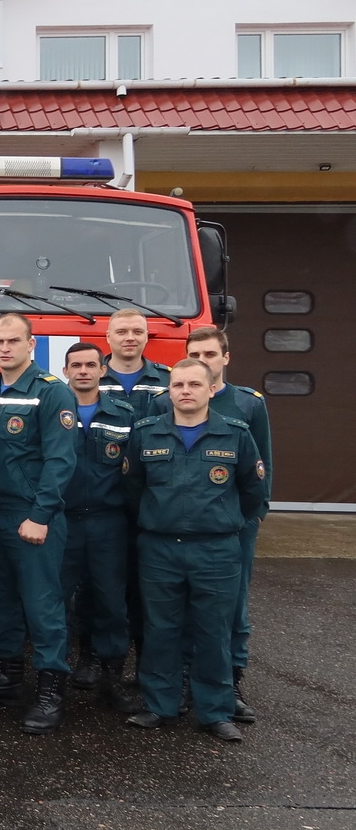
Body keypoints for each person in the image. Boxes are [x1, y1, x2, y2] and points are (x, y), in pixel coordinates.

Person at [123, 358, 266, 742]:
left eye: (193, 385)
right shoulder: (146, 433)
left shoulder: (235, 434)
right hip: (160, 548)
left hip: (215, 550)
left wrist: (222, 522)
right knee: (160, 630)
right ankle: (159, 705)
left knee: (213, 632)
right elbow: (133, 487)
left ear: (210, 390)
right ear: (169, 392)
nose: (185, 391)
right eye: (178, 385)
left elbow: (253, 492)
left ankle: (215, 712)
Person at [0, 313, 78, 735]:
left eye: (14, 340)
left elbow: (60, 459)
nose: (5, 347)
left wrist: (41, 514)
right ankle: (4, 678)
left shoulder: (51, 393)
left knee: (43, 606)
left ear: (31, 345)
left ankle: (51, 693)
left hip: (31, 518)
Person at [178, 326, 271, 724]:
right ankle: (184, 683)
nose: (202, 362)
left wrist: (250, 520)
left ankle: (230, 682)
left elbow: (261, 471)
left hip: (231, 530)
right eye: (194, 355)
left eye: (209, 355)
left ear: (225, 358)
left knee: (232, 609)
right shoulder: (174, 402)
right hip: (183, 529)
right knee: (180, 608)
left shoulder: (248, 405)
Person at [57, 342, 141, 714]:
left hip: (109, 523)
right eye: (76, 365)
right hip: (62, 520)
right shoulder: (53, 411)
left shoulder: (124, 415)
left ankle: (111, 680)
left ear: (102, 369)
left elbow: (137, 473)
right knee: (54, 603)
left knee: (111, 603)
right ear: (66, 371)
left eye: (91, 365)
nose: (84, 371)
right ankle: (53, 681)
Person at [100, 309, 170, 418]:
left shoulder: (169, 379)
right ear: (108, 337)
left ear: (146, 337)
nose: (130, 338)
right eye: (121, 332)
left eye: (138, 332)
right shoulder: (90, 378)